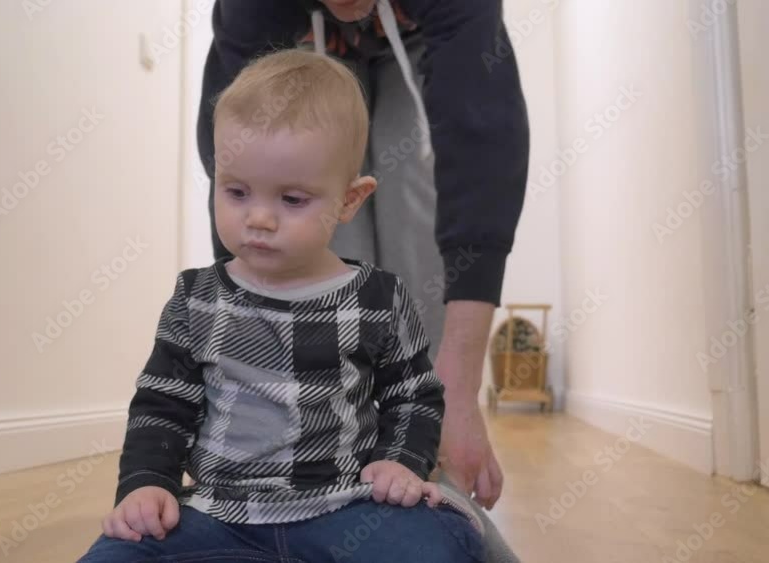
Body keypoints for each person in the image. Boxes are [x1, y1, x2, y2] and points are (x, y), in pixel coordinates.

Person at [77, 49, 487, 562]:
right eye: (237, 192)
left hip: (346, 507)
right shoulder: (195, 298)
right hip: (220, 512)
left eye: (292, 200)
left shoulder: (379, 299)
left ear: (349, 200)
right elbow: (163, 404)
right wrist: (146, 483)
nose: (259, 219)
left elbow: (413, 396)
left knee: (442, 545)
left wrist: (400, 462)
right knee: (116, 553)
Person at [197, 0, 530, 513]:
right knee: (316, 232)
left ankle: (420, 444)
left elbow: (479, 139)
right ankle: (330, 447)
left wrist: (458, 395)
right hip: (306, 47)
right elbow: (237, 164)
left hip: (415, 45)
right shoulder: (253, 12)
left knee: (411, 192)